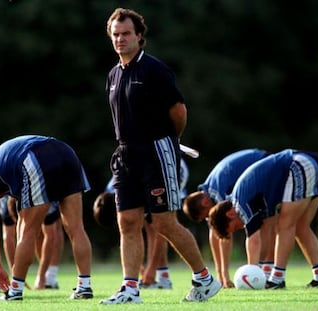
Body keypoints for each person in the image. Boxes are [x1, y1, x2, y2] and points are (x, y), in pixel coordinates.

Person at [101, 8, 221, 304]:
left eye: (126, 33)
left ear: (139, 36)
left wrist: (170, 141)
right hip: (125, 155)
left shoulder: (154, 70)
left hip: (156, 151)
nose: (120, 39)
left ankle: (205, 280)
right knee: (127, 222)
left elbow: (178, 112)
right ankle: (130, 289)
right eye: (116, 34)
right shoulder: (114, 74)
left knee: (164, 222)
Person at [0, 135, 93, 301]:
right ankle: (84, 286)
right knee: (77, 227)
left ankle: (15, 291)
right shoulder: (2, 169)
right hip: (66, 151)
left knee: (27, 230)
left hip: (36, 157)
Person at [208, 149, 318, 289]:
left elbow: (253, 240)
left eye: (236, 227)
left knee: (285, 225)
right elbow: (263, 232)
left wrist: (252, 273)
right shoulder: (244, 198)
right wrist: (261, 271)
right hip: (308, 161)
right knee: (300, 227)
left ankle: (277, 279)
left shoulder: (239, 204)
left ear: (229, 214)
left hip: (298, 165)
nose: (242, 227)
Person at [182, 149, 274, 286]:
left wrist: (224, 275)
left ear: (204, 203)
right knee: (264, 223)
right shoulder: (210, 190)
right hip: (260, 162)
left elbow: (225, 234)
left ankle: (259, 271)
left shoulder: (218, 191)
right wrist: (221, 274)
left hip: (266, 164)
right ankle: (260, 270)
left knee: (265, 222)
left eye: (206, 215)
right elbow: (215, 232)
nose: (210, 218)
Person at [95, 158, 189, 289]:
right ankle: (162, 276)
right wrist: (138, 267)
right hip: (145, 175)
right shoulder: (113, 194)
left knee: (161, 224)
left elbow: (160, 235)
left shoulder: (127, 194)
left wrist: (150, 269)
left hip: (170, 168)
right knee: (139, 225)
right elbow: (126, 234)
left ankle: (165, 278)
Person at [0, 195, 64, 290]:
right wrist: (16, 275)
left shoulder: (43, 196)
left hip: (40, 190)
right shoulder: (6, 197)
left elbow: (51, 237)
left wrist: (41, 276)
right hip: (13, 191)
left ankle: (47, 276)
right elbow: (7, 238)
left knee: (45, 231)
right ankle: (21, 279)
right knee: (31, 234)